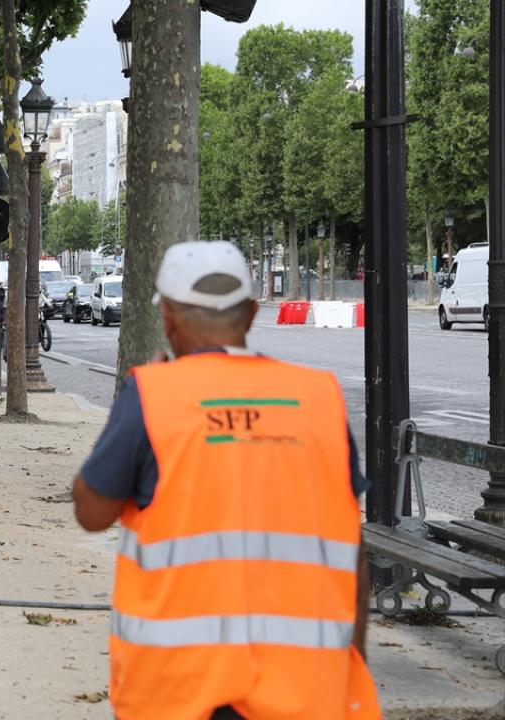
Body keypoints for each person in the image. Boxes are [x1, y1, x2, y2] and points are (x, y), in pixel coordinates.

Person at [70, 241, 378, 720]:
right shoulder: (318, 398)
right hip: (309, 690)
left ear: (167, 317)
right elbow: (351, 551)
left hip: (179, 691)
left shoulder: (153, 394)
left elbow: (91, 512)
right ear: (252, 313)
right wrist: (350, 663)